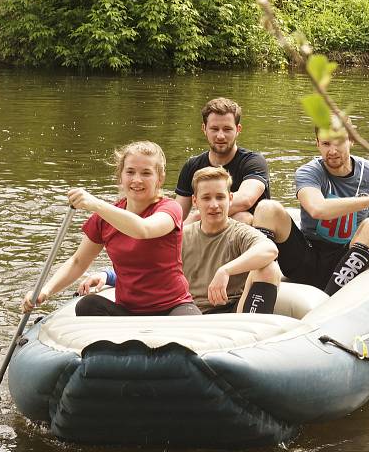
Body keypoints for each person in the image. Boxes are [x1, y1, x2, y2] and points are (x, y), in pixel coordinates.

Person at [21, 141, 200, 317]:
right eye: (130, 172)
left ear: (159, 178)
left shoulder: (170, 209)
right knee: (87, 305)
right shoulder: (104, 218)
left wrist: (96, 204)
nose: (137, 179)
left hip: (172, 307)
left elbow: (143, 229)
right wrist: (45, 290)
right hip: (127, 311)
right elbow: (78, 261)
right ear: (120, 176)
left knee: (193, 329)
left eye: (146, 173)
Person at [252, 125, 369, 296]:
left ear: (351, 140)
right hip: (307, 256)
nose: (333, 151)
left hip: (345, 258)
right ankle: (253, 284)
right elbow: (317, 209)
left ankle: (329, 301)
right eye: (326, 144)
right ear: (317, 144)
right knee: (267, 208)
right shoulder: (308, 172)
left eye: (338, 143)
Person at [81, 166, 280, 314]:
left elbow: (269, 249)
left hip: (232, 312)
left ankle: (251, 345)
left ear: (230, 199)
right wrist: (108, 276)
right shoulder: (181, 235)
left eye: (220, 197)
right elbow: (150, 268)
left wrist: (226, 270)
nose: (214, 205)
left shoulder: (240, 233)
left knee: (269, 268)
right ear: (195, 201)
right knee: (89, 304)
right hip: (187, 313)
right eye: (206, 198)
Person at [175, 97, 270, 225]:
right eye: (214, 129)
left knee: (242, 217)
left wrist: (196, 217)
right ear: (204, 129)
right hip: (207, 233)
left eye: (227, 129)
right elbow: (177, 215)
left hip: (251, 237)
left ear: (238, 129)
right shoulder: (192, 166)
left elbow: (245, 199)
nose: (220, 136)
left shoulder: (253, 162)